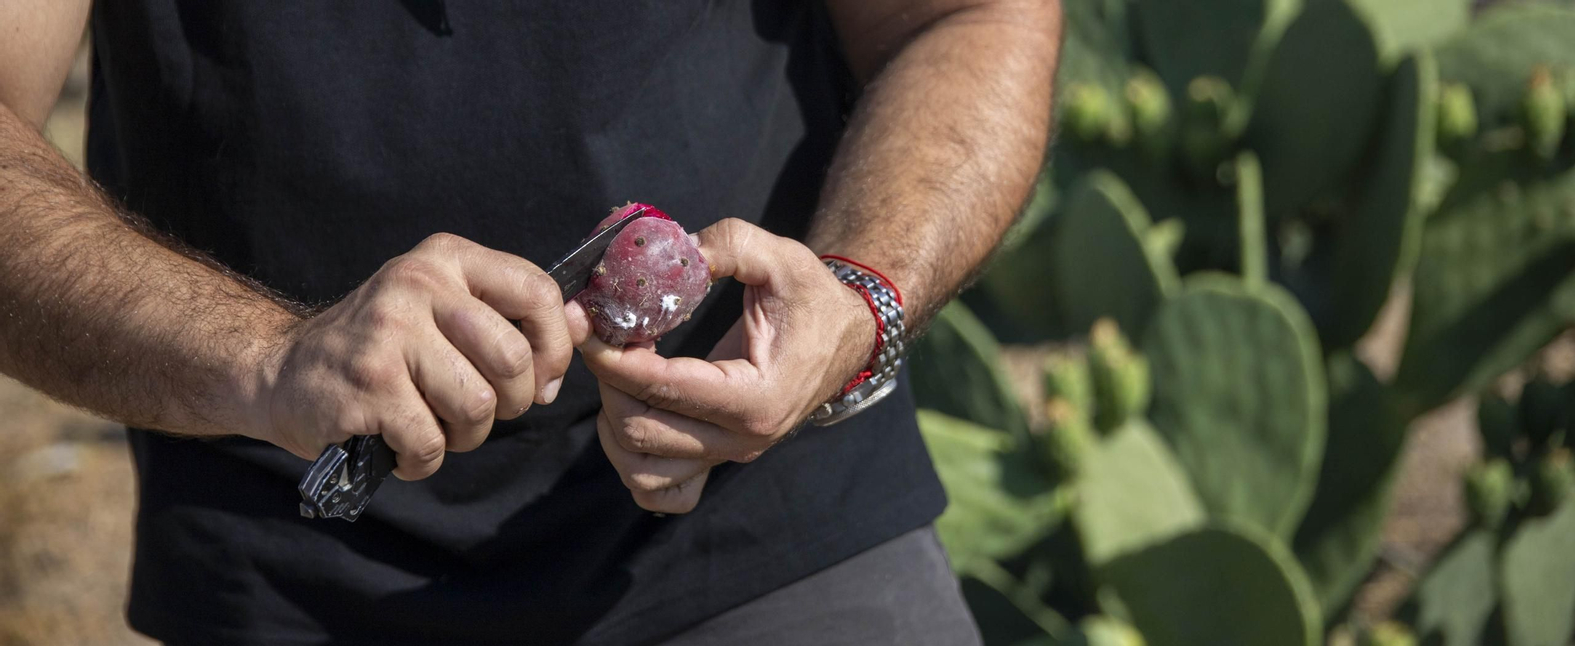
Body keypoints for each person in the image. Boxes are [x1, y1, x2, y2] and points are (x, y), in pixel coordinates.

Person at [0, 1, 1059, 644]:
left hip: (782, 540)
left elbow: (965, 14)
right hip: (299, 583)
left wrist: (857, 298)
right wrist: (266, 358)